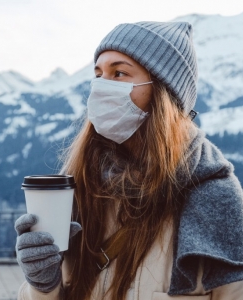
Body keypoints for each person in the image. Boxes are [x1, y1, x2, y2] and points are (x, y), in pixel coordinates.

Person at [15, 21, 243, 300]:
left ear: (162, 92)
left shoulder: (215, 199)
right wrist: (42, 286)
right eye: (98, 74)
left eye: (119, 73)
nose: (101, 87)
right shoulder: (82, 185)